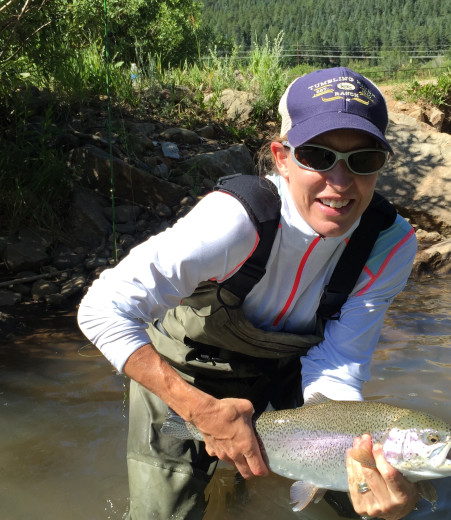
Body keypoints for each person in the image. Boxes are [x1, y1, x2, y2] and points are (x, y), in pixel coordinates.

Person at [77, 66, 419, 519]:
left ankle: (237, 476)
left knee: (375, 505)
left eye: (364, 160)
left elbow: (338, 363)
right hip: (184, 374)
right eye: (317, 157)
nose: (340, 182)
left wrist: (349, 461)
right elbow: (102, 309)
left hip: (286, 374)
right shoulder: (234, 222)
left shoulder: (389, 242)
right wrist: (200, 411)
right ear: (281, 157)